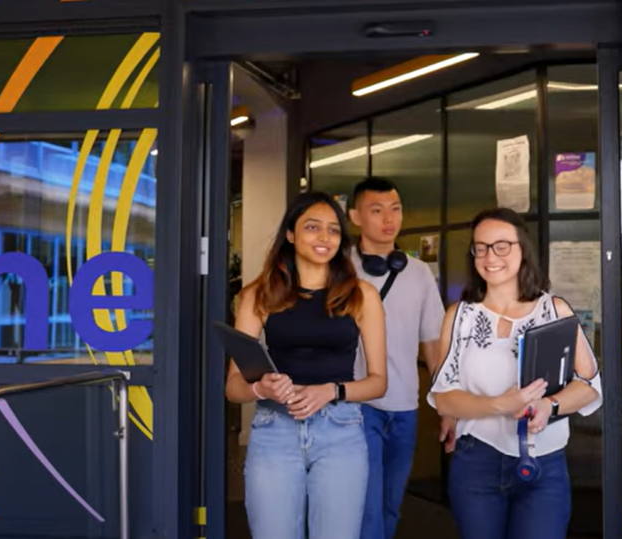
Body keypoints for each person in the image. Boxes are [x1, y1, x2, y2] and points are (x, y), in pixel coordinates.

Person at [428, 208, 602, 539]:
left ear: (523, 249)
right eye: (481, 247)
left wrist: (550, 405)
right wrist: (499, 405)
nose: (490, 256)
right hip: (475, 462)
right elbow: (443, 398)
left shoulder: (554, 310)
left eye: (502, 246)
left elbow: (590, 384)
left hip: (544, 463)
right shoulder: (460, 316)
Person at [225, 191, 388, 538]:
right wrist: (260, 387)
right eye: (313, 227)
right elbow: (233, 388)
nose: (324, 238)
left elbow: (378, 383)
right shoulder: (259, 294)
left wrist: (331, 391)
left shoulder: (362, 295)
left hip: (341, 431)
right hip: (274, 430)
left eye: (333, 230)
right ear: (291, 234)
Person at [347, 177, 450, 539]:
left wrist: (444, 404)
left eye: (395, 209)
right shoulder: (339, 269)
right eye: (377, 211)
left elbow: (433, 344)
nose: (389, 219)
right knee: (368, 507)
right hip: (357, 406)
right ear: (356, 216)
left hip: (404, 405)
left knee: (391, 504)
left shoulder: (420, 273)